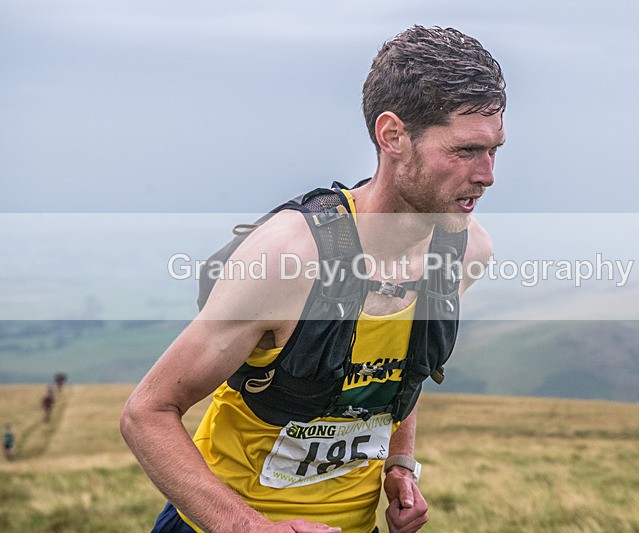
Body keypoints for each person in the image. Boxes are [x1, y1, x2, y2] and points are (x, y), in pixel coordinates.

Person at [120, 25, 506, 533]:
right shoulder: (289, 257)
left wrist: (398, 466)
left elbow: (398, 373)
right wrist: (250, 530)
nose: (487, 175)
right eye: (464, 151)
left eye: (494, 149)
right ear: (392, 135)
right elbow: (146, 414)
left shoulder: (466, 251)